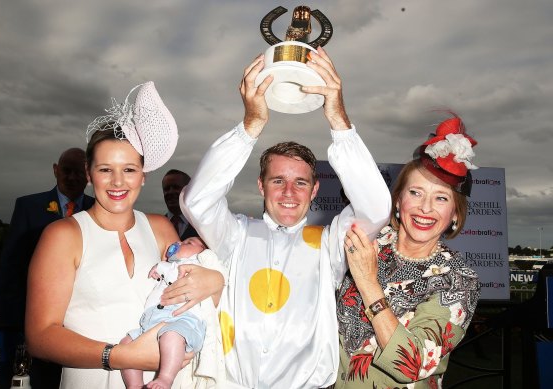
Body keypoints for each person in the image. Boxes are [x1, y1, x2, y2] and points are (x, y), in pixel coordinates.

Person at [180, 48, 392, 388]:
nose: (289, 192)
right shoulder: (235, 234)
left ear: (314, 190)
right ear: (261, 186)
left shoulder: (330, 243)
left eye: (300, 182)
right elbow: (197, 200)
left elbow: (377, 209)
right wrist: (251, 125)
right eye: (278, 180)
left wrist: (338, 117)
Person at [25, 81, 225, 389]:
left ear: (143, 177)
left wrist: (215, 282)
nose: (118, 181)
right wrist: (118, 356)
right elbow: (40, 337)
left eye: (129, 170)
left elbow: (186, 295)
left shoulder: (160, 228)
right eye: (105, 169)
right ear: (89, 176)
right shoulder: (63, 234)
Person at [335, 113, 481, 388]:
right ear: (398, 202)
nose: (425, 208)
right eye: (415, 193)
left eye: (441, 198)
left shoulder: (458, 280)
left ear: (455, 215)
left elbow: (411, 364)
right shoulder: (368, 240)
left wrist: (368, 283)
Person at [0, 147, 94, 388]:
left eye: (79, 172)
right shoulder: (28, 206)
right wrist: (16, 320)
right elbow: (12, 265)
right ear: (55, 170)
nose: (72, 178)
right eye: (66, 171)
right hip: (36, 320)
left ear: (89, 176)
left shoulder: (99, 209)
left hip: (85, 324)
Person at [121, 237, 226, 389]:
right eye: (180, 243)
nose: (179, 244)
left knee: (171, 336)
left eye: (188, 243)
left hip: (182, 319)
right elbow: (164, 268)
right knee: (126, 344)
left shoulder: (199, 264)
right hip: (151, 320)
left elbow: (217, 272)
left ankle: (165, 379)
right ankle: (134, 385)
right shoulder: (171, 265)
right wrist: (158, 268)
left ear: (203, 251)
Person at [162, 169, 199, 239]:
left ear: (189, 190)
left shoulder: (202, 226)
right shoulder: (156, 227)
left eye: (176, 187)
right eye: (166, 189)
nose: (171, 192)